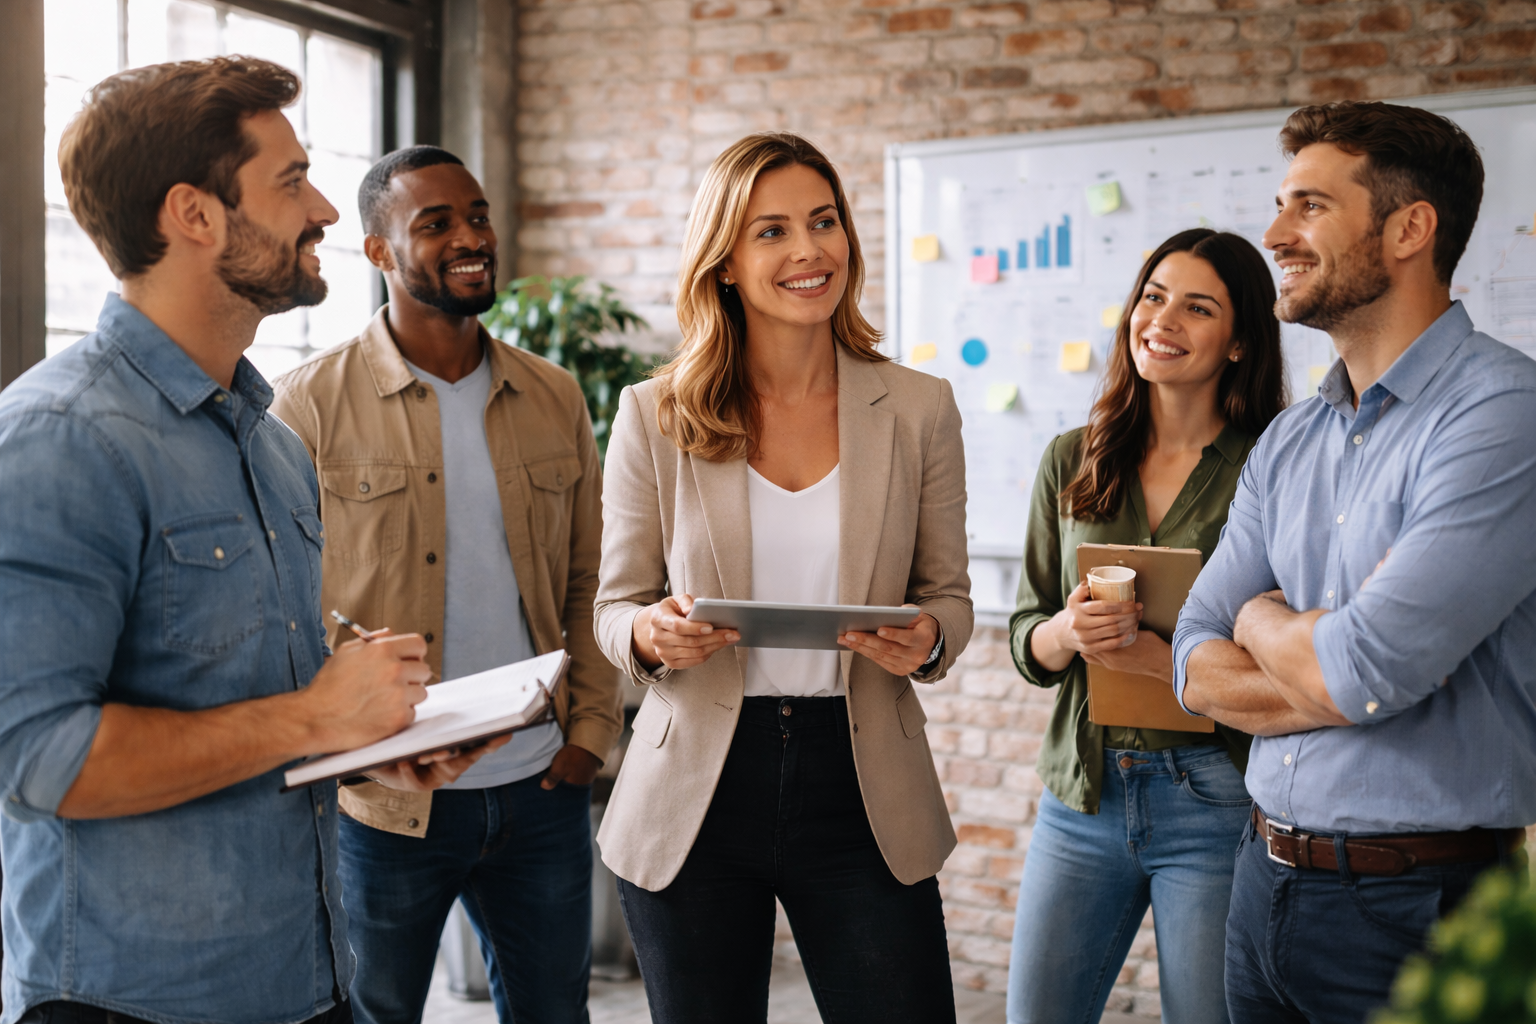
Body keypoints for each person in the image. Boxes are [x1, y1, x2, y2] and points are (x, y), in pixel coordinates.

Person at [0, 58, 504, 1024]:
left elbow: (249, 709)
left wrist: (369, 742)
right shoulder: (61, 437)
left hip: (306, 980)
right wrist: (318, 721)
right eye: (289, 181)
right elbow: (37, 758)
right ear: (194, 214)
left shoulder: (270, 445)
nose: (320, 207)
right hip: (134, 1002)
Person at [591, 132, 972, 1024]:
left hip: (863, 776)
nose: (809, 251)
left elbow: (948, 595)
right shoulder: (655, 413)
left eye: (824, 221)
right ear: (724, 259)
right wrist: (651, 633)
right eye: (772, 231)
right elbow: (613, 605)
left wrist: (929, 638)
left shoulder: (918, 409)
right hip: (696, 788)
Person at [1173, 101, 1536, 1024]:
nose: (1273, 234)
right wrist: (1329, 665)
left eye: (1309, 206)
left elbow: (1364, 670)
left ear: (1411, 228)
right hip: (1263, 883)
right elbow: (1188, 655)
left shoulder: (1502, 415)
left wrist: (1261, 620)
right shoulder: (1291, 437)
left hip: (1428, 908)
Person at [269, 146, 619, 1024]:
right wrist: (335, 761)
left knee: (555, 1012)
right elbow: (280, 610)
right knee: (372, 1012)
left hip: (541, 788)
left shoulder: (554, 396)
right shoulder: (306, 405)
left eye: (477, 216)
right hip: (385, 809)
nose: (471, 238)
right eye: (435, 225)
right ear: (379, 253)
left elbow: (591, 575)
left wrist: (589, 730)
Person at [1004, 229, 1287, 1024]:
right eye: (1153, 296)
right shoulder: (1073, 458)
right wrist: (1066, 633)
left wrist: (1175, 661)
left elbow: (1295, 644)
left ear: (1238, 342)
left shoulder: (1272, 464)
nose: (1161, 318)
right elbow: (1027, 629)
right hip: (1082, 798)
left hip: (1215, 796)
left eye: (1198, 307)